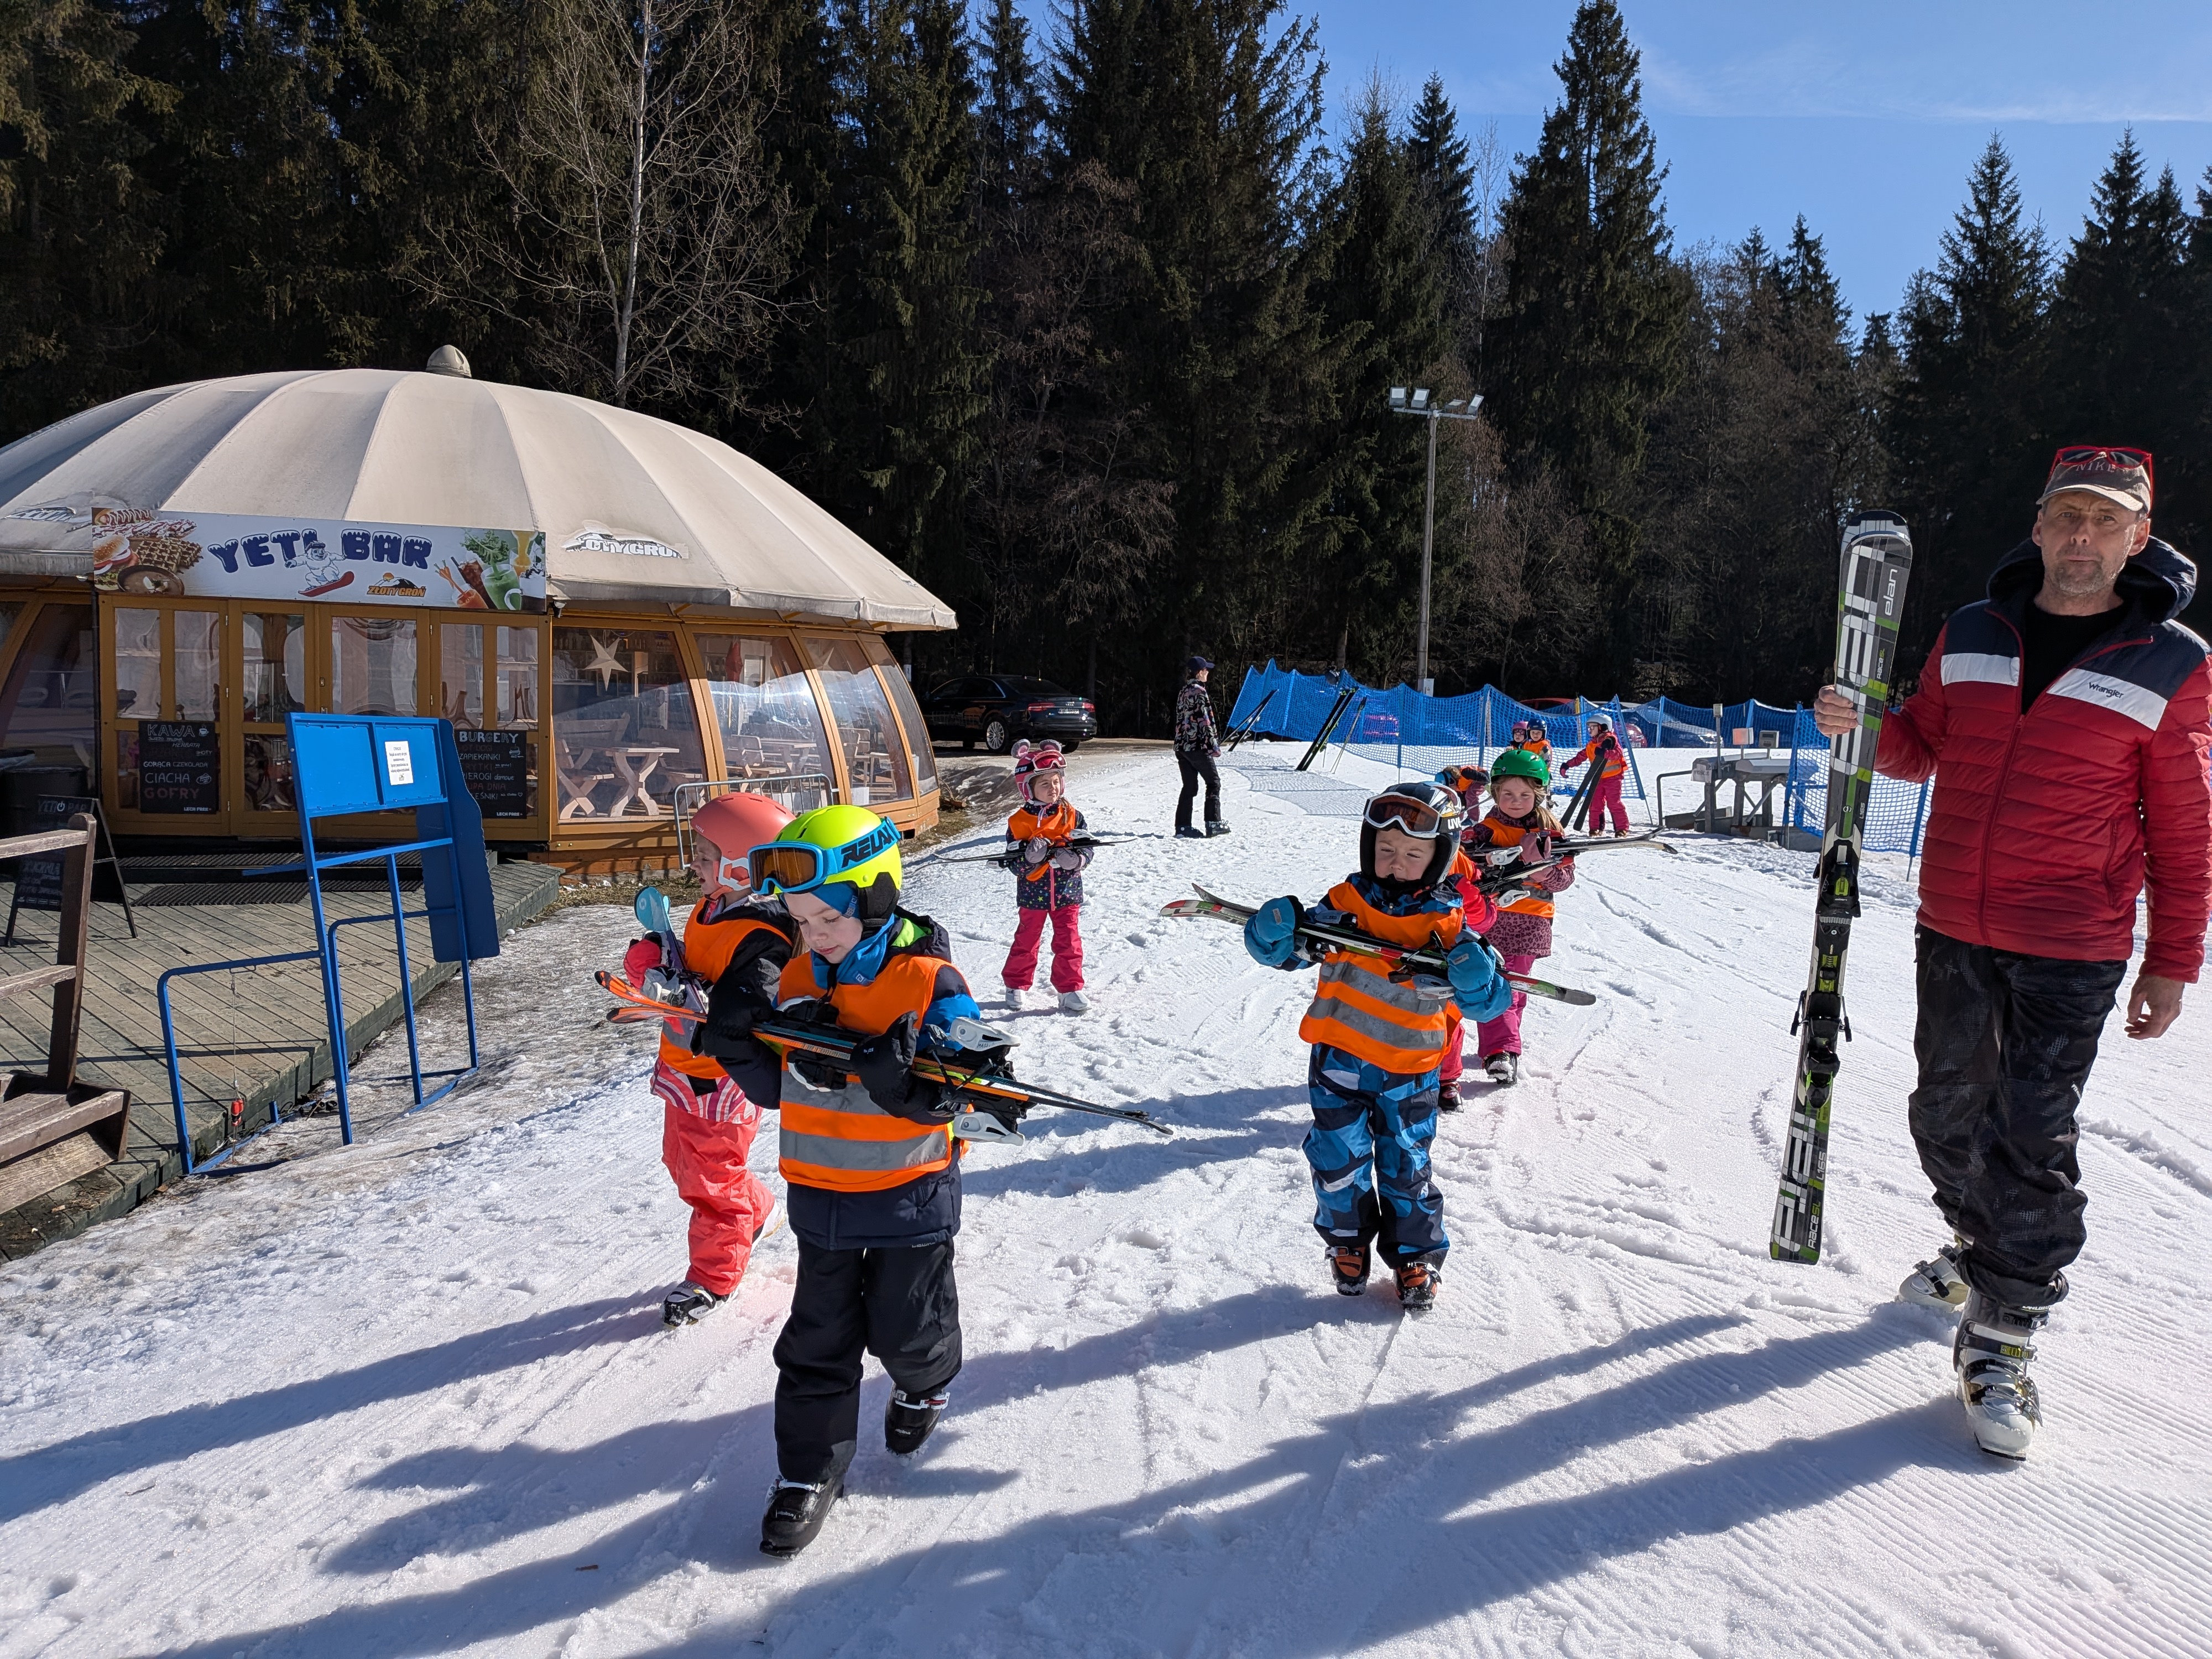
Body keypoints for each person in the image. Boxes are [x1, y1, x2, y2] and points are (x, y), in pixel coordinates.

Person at [1812, 445, 2211, 1459]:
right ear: (2038, 527)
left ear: (2138, 538)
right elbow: (1920, 747)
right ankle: (1977, 1240)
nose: (2082, 536)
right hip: (1953, 921)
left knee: (2031, 1130)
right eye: (2067, 515)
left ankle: (2002, 1335)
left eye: (2106, 520)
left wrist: (2173, 958)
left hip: (2073, 942)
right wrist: (1863, 725)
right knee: (1944, 1115)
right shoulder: (1972, 631)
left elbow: (2184, 825)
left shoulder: (2174, 663)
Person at [698, 805, 990, 1553]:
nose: (816, 935)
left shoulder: (929, 979)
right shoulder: (799, 975)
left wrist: (904, 1087)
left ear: (878, 897)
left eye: (829, 918)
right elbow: (779, 1089)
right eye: (802, 921)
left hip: (909, 1198)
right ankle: (807, 1474)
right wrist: (739, 1047)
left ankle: (926, 1381)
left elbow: (975, 1094)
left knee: (908, 1331)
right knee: (815, 1345)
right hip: (820, 1198)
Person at [1240, 781, 1512, 1311]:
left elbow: (1489, 1001)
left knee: (1406, 1165)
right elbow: (1296, 951)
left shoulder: (1448, 920)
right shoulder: (1347, 902)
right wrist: (1272, 938)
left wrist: (1479, 981)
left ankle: (1416, 1255)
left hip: (1409, 1070)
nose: (1396, 863)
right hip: (1337, 1061)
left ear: (1440, 858)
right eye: (1386, 849)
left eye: (1413, 854)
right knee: (1336, 1160)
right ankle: (1346, 1241)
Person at [621, 790, 797, 1326]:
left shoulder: (763, 933)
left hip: (722, 1077)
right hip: (686, 1065)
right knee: (682, 1163)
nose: (692, 864)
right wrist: (661, 961)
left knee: (711, 1179)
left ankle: (715, 1277)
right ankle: (756, 1211)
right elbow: (699, 969)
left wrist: (698, 996)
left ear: (742, 866)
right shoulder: (713, 906)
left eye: (703, 855)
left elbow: (749, 1003)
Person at [1463, 749, 1576, 1087]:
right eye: (1508, 794)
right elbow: (1462, 864)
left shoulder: (1551, 833)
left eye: (1525, 795)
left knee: (1510, 985)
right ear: (1496, 793)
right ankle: (1502, 1047)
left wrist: (1543, 870)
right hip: (1491, 919)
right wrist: (1484, 861)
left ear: (1538, 795)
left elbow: (1565, 881)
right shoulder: (1485, 831)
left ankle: (1501, 1049)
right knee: (1501, 984)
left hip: (1531, 920)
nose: (1516, 801)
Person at [999, 739, 1094, 1013]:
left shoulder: (1072, 815)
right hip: (1033, 893)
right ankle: (1016, 984)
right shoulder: (1018, 822)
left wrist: (1077, 860)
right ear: (1027, 788)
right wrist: (1028, 859)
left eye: (1056, 781)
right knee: (1027, 940)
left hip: (1067, 892)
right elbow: (1013, 863)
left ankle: (1070, 988)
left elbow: (1087, 847)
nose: (1053, 788)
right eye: (1045, 784)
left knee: (1069, 941)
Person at [1175, 655, 1227, 839]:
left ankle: (1183, 827)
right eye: (1206, 670)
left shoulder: (1184, 691)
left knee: (1189, 786)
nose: (1208, 673)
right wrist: (1213, 746)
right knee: (1214, 782)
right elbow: (1205, 720)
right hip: (1197, 745)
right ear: (1199, 673)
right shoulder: (1199, 691)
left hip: (1182, 746)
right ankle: (1214, 824)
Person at [1561, 713, 1631, 836]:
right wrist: (1567, 765)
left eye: (1593, 727)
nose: (1590, 730)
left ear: (1603, 727)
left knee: (1614, 803)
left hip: (1613, 778)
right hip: (1597, 779)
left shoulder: (1611, 740)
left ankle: (1621, 828)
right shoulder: (1591, 745)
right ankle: (1596, 828)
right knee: (1595, 804)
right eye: (1589, 727)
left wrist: (1605, 753)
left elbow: (1618, 753)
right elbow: (1581, 757)